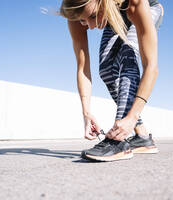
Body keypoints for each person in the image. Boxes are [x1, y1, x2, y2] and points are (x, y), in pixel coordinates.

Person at [60, 0, 163, 161]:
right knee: (106, 70)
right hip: (113, 13)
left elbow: (151, 67)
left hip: (146, 9)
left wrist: (132, 117)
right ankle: (142, 136)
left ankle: (118, 140)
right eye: (83, 20)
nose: (91, 26)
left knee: (128, 55)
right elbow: (83, 68)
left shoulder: (136, 3)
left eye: (93, 16)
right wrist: (86, 113)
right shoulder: (76, 10)